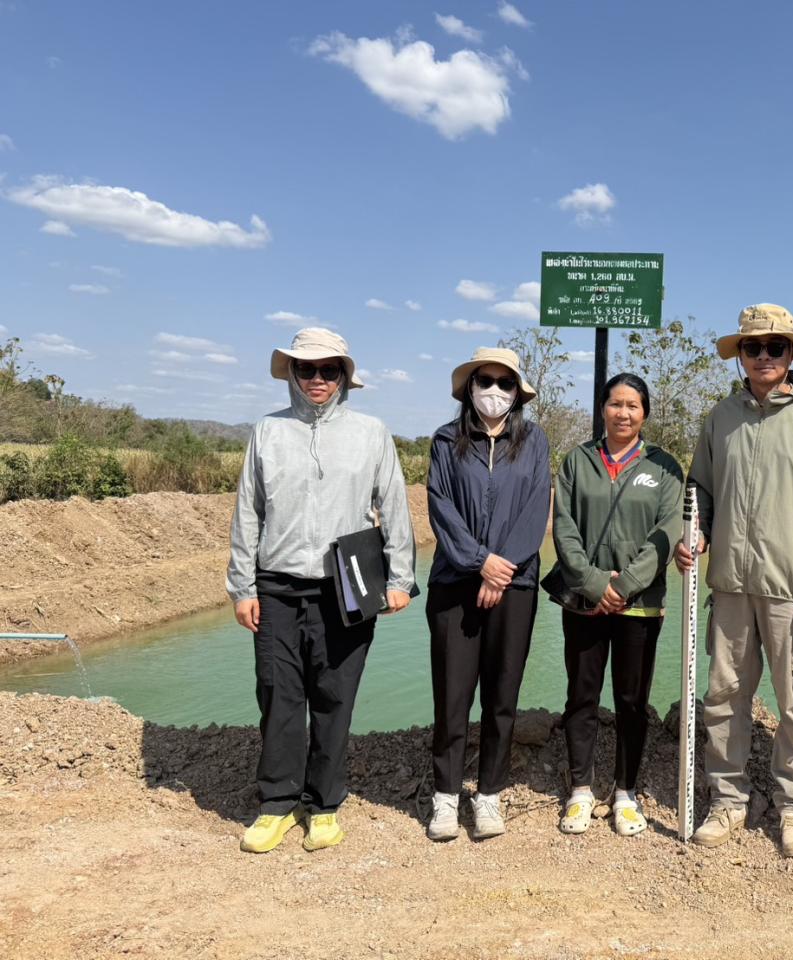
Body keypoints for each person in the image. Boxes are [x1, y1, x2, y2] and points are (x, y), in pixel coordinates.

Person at [228, 327, 416, 854]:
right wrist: (242, 586)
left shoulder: (372, 432)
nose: (317, 379)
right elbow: (248, 512)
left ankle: (325, 803)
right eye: (306, 369)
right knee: (278, 692)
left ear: (344, 377)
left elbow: (394, 503)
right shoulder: (266, 432)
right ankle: (276, 804)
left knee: (335, 695)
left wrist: (400, 578)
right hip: (277, 583)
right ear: (291, 373)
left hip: (348, 583)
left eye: (328, 370)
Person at [675, 304, 793, 858]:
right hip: (728, 584)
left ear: (792, 354)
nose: (765, 356)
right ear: (741, 355)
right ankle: (728, 799)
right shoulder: (719, 418)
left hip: (791, 589)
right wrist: (695, 532)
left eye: (776, 347)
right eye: (754, 348)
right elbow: (698, 487)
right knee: (724, 696)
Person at [547, 373, 683, 837]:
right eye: (615, 403)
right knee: (581, 697)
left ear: (645, 413)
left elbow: (668, 534)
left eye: (633, 405)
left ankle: (626, 791)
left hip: (639, 606)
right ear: (602, 408)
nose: (623, 413)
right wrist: (589, 581)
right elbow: (563, 528)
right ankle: (581, 789)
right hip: (584, 602)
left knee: (631, 700)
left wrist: (622, 586)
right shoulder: (577, 461)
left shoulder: (663, 466)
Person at [425, 347, 550, 842]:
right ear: (469, 388)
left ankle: (491, 796)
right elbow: (440, 507)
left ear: (517, 391)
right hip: (455, 584)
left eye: (504, 383)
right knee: (453, 696)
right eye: (485, 381)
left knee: (502, 696)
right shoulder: (445, 441)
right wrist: (480, 563)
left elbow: (537, 505)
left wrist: (502, 571)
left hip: (515, 585)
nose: (494, 391)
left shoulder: (534, 441)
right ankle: (445, 796)